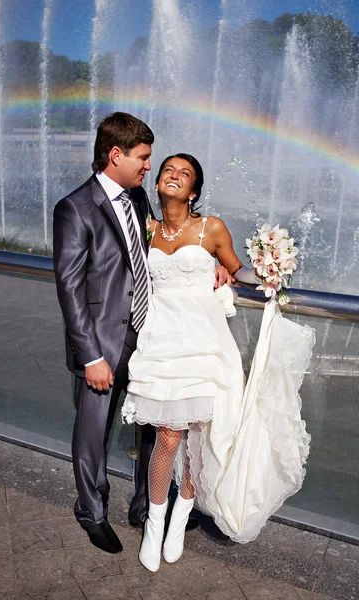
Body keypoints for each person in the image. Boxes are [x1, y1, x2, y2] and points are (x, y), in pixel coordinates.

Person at [122, 153, 314, 572]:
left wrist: (268, 272)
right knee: (168, 438)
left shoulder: (211, 228)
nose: (174, 176)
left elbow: (237, 269)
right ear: (157, 184)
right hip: (162, 343)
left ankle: (180, 521)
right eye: (168, 170)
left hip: (207, 343)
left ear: (193, 191)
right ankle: (156, 524)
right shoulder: (146, 228)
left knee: (199, 441)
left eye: (184, 174)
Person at [53, 114, 231, 555]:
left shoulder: (136, 200)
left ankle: (143, 505)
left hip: (150, 335)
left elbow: (158, 250)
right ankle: (91, 512)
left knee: (154, 422)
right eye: (144, 158)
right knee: (93, 431)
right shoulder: (74, 208)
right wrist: (90, 355)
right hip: (102, 343)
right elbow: (70, 288)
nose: (150, 167)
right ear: (117, 155)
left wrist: (221, 268)